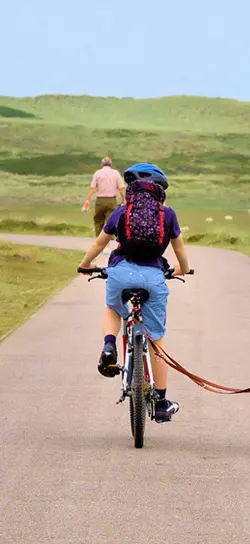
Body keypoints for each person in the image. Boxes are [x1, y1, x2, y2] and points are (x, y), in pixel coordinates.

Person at [78, 163, 192, 423]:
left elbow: (99, 243)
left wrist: (85, 265)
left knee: (113, 308)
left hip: (120, 274)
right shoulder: (168, 214)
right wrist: (183, 270)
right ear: (159, 191)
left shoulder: (120, 212)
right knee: (157, 340)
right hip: (153, 277)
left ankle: (108, 346)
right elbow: (181, 252)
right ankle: (161, 403)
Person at [82, 157, 126, 238]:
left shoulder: (97, 173)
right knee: (111, 220)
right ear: (111, 164)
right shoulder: (116, 173)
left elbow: (92, 187)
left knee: (99, 220)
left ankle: (99, 238)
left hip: (100, 201)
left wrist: (88, 200)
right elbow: (121, 188)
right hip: (112, 200)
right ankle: (109, 238)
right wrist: (124, 200)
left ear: (102, 165)